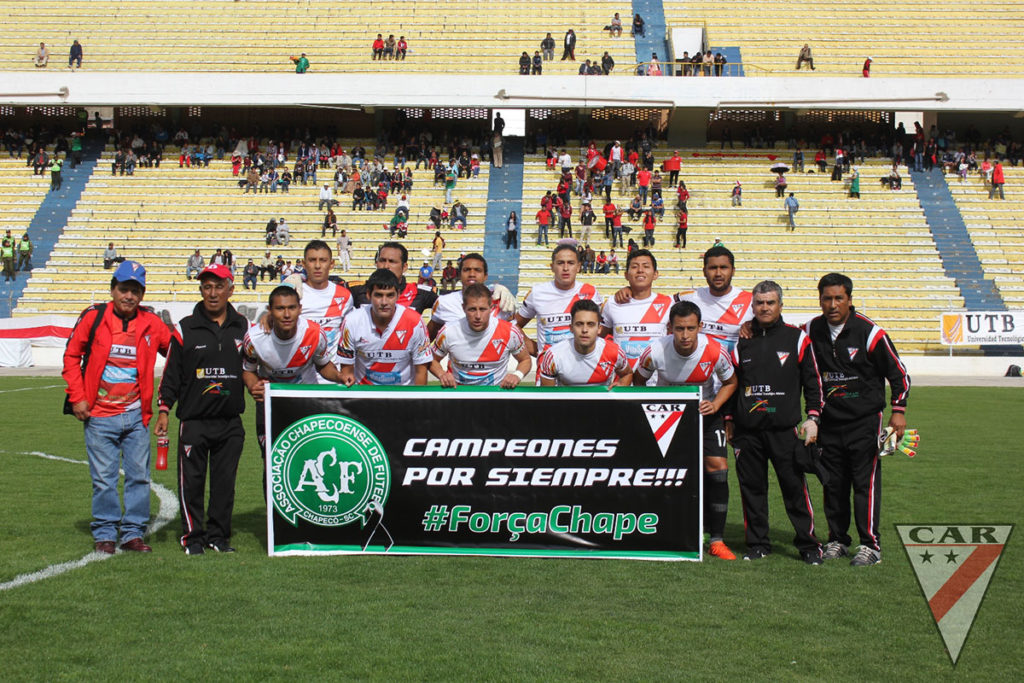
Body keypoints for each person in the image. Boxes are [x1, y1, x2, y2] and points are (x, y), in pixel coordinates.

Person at [62, 261, 174, 554]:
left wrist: (164, 403)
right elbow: (72, 355)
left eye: (135, 291)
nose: (129, 296)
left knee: (139, 476)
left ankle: (133, 533)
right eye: (124, 289)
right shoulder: (93, 317)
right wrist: (77, 396)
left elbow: (178, 351)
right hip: (99, 415)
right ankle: (105, 533)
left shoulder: (151, 322)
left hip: (137, 416)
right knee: (103, 480)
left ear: (142, 294)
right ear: (113, 290)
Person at [808, 273, 910, 566]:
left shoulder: (870, 332)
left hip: (867, 421)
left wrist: (899, 410)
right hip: (829, 423)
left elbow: (900, 375)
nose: (832, 304)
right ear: (820, 300)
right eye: (826, 298)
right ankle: (838, 540)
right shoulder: (812, 329)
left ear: (849, 300)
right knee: (833, 484)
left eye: (839, 298)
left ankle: (870, 546)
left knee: (865, 483)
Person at [725, 280, 824, 564]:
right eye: (759, 303)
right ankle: (757, 544)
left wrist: (813, 416)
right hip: (748, 432)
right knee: (752, 490)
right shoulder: (741, 340)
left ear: (780, 305)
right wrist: (730, 419)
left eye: (770, 302)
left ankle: (808, 545)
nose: (764, 307)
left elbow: (813, 381)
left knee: (795, 489)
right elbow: (732, 383)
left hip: (785, 430)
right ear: (752, 306)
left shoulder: (797, 338)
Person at [634, 301, 739, 560]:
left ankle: (716, 540)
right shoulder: (655, 351)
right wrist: (653, 405)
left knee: (718, 468)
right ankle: (663, 531)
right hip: (667, 417)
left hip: (705, 415)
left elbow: (731, 382)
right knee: (663, 472)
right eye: (679, 328)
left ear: (700, 327)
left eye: (690, 328)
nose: (684, 335)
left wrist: (715, 405)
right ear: (670, 327)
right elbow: (638, 380)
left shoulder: (714, 351)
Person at [155, 264, 248, 555]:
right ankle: (192, 539)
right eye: (207, 287)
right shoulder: (185, 328)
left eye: (219, 286)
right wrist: (164, 409)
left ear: (230, 290)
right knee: (191, 483)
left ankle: (218, 537)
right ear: (200, 290)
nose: (212, 293)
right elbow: (171, 374)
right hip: (194, 421)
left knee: (224, 485)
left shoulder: (244, 327)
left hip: (231, 421)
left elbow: (257, 364)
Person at [242, 284, 344, 460]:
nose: (287, 314)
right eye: (280, 308)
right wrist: (253, 386)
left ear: (300, 309)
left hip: (306, 403)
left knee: (312, 457)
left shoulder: (315, 333)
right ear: (270, 311)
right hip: (271, 405)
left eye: (291, 308)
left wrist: (339, 376)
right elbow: (248, 371)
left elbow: (323, 365)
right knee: (272, 461)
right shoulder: (254, 339)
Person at [338, 268, 432, 386]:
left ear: (398, 295)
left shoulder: (415, 322)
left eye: (390, 295)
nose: (384, 302)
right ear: (368, 295)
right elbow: (347, 372)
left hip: (402, 396)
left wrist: (417, 403)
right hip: (365, 396)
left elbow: (421, 371)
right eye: (378, 295)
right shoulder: (352, 321)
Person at [432, 283, 532, 388]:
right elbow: (432, 359)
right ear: (463, 308)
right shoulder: (448, 331)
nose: (478, 316)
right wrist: (442, 374)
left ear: (491, 308)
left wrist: (517, 375)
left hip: (495, 397)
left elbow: (525, 360)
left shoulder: (509, 332)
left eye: (483, 309)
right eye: (472, 309)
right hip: (460, 397)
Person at [516, 244, 602, 359]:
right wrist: (536, 349)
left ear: (578, 267)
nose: (565, 268)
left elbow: (603, 329)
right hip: (548, 371)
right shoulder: (537, 293)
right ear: (552, 267)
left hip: (582, 367)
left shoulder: (590, 292)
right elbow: (514, 326)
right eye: (560, 263)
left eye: (571, 263)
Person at [598, 248, 672, 373]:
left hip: (655, 385)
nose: (640, 270)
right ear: (626, 275)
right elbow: (598, 339)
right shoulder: (612, 303)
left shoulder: (669, 304)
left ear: (655, 274)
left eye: (646, 266)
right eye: (634, 267)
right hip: (621, 383)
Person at [539, 300, 631, 387]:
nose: (584, 330)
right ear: (571, 328)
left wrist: (622, 386)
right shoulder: (554, 355)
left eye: (590, 324)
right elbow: (548, 395)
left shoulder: (614, 352)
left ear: (599, 328)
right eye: (579, 324)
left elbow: (627, 373)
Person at [426, 253, 517, 339]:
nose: (472, 274)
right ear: (459, 275)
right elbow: (425, 340)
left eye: (477, 270)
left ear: (485, 276)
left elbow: (516, 337)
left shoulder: (500, 299)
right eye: (466, 270)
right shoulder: (444, 302)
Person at [350, 241, 437, 312]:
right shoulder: (358, 289)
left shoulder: (420, 293)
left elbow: (448, 301)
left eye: (392, 261)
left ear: (405, 267)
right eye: (382, 260)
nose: (386, 266)